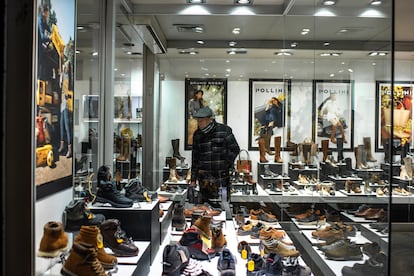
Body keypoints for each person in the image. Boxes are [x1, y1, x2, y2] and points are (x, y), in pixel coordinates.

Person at [189, 106, 240, 207]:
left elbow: (235, 149)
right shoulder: (197, 134)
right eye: (198, 121)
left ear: (210, 119)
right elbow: (195, 157)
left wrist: (225, 164)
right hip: (204, 180)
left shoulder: (225, 130)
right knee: (205, 209)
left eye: (201, 121)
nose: (199, 123)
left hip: (221, 178)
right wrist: (193, 179)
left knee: (223, 207)